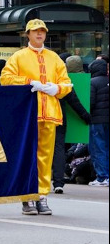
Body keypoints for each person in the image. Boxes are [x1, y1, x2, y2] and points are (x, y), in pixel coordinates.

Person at [1, 19, 72, 216]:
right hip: (26, 114)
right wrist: (29, 82)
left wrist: (55, 88)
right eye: (35, 31)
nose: (39, 34)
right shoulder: (18, 57)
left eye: (42, 31)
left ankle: (41, 195)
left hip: (49, 113)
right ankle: (27, 197)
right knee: (27, 154)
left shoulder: (54, 58)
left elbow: (66, 83)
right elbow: (5, 78)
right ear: (28, 34)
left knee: (45, 156)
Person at [51, 56, 92, 193]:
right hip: (58, 117)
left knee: (39, 148)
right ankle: (58, 182)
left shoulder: (38, 78)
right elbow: (73, 99)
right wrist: (85, 116)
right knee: (59, 149)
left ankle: (40, 178)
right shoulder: (62, 79)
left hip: (40, 117)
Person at [88, 58, 108, 186]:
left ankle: (102, 177)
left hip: (97, 120)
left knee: (98, 148)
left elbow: (90, 102)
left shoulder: (92, 82)